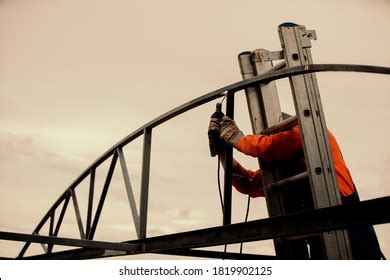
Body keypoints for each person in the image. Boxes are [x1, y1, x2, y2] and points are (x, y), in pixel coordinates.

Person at [208, 114, 382, 260]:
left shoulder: (312, 133)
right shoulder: (287, 167)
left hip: (352, 229)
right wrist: (223, 153)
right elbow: (248, 183)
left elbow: (267, 146)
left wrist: (236, 138)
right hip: (322, 239)